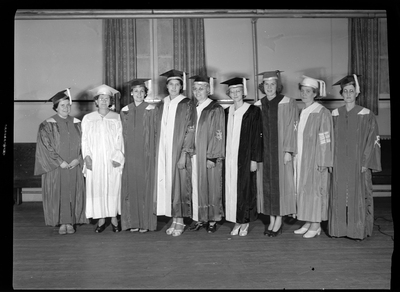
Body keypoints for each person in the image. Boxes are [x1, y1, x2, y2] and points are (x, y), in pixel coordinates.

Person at [328, 74, 382, 240]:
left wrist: (366, 162)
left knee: (357, 195)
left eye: (351, 91)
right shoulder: (334, 114)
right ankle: (338, 229)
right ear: (342, 93)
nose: (348, 94)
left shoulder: (366, 115)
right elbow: (328, 140)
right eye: (345, 91)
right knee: (339, 195)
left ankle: (356, 231)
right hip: (338, 163)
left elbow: (372, 140)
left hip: (358, 163)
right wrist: (329, 160)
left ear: (357, 93)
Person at [146, 69, 195, 237]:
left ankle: (180, 220)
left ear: (181, 86)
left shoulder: (187, 103)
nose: (174, 87)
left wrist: (184, 153)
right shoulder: (162, 104)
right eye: (171, 84)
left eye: (177, 84)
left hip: (178, 151)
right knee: (167, 183)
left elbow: (191, 129)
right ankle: (174, 218)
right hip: (163, 152)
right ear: (166, 86)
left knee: (179, 184)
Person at [34, 88, 88, 234]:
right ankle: (62, 222)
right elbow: (45, 146)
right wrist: (60, 161)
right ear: (56, 107)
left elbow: (87, 144)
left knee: (72, 191)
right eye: (62, 105)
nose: (66, 108)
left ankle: (70, 222)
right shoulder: (47, 124)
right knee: (59, 192)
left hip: (74, 165)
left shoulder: (78, 123)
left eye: (68, 105)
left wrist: (79, 159)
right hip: (57, 167)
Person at [256, 70, 298, 237]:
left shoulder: (288, 103)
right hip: (265, 154)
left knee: (280, 185)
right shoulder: (259, 105)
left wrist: (288, 150)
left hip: (281, 153)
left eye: (272, 84)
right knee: (266, 186)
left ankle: (279, 218)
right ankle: (271, 218)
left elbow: (291, 128)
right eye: (266, 84)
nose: (269, 87)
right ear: (262, 86)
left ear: (278, 86)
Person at [221, 77, 262, 236]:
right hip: (230, 159)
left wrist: (254, 159)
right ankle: (236, 220)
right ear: (229, 93)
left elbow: (258, 136)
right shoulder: (226, 111)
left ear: (243, 92)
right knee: (232, 189)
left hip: (245, 158)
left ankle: (245, 222)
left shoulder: (253, 111)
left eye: (238, 91)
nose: (236, 94)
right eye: (233, 91)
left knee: (245, 190)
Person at [294, 76, 333, 239]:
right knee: (304, 190)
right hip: (302, 158)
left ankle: (316, 224)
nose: (304, 94)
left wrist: (324, 161)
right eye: (302, 91)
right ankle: (309, 221)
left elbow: (326, 138)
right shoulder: (303, 111)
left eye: (308, 91)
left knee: (315, 191)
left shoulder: (321, 112)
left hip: (315, 159)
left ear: (315, 93)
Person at [82, 84, 125, 233]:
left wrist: (118, 157)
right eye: (101, 98)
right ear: (96, 101)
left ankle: (113, 217)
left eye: (107, 98)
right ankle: (101, 218)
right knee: (97, 187)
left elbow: (121, 139)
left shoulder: (117, 117)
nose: (104, 101)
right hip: (95, 159)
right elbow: (84, 140)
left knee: (113, 187)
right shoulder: (88, 118)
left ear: (110, 101)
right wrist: (87, 156)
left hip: (111, 159)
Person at [188, 75, 225, 233]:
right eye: (195, 89)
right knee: (197, 187)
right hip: (195, 155)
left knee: (212, 186)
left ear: (208, 90)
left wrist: (212, 156)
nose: (198, 91)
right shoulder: (192, 108)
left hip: (209, 155)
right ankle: (199, 217)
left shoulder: (215, 108)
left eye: (201, 88)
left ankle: (212, 219)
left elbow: (219, 133)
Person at [120, 79, 157, 233]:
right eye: (136, 91)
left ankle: (146, 223)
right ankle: (132, 222)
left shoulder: (152, 109)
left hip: (147, 154)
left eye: (142, 91)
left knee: (145, 186)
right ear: (131, 93)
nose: (139, 94)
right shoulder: (124, 111)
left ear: (146, 93)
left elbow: (155, 133)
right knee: (131, 186)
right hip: (129, 155)